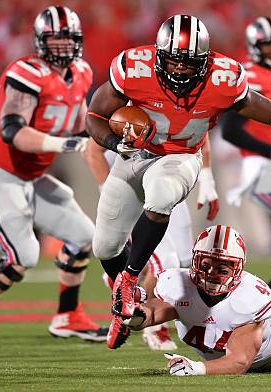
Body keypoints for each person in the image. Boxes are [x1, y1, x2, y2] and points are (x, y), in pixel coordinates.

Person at [85, 14, 271, 349]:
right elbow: (95, 115)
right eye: (174, 62)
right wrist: (113, 143)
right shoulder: (134, 67)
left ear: (205, 63)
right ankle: (128, 294)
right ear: (160, 56)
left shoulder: (223, 79)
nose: (180, 70)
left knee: (162, 193)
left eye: (189, 64)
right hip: (132, 156)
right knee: (104, 246)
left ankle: (129, 279)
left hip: (179, 157)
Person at [0, 6, 106, 348]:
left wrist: (110, 134)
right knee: (23, 256)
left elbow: (79, 124)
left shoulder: (83, 72)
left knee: (84, 236)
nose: (62, 45)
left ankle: (67, 315)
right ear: (40, 41)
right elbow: (12, 131)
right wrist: (64, 143)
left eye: (68, 38)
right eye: (55, 38)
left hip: (31, 177)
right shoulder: (26, 72)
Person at [118, 224, 271, 375]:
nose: (212, 272)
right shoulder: (178, 284)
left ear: (239, 269)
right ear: (194, 261)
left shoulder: (248, 298)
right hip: (262, 361)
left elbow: (239, 362)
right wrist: (133, 317)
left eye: (223, 266)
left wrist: (196, 368)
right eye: (206, 263)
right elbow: (154, 312)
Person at [84, 134, 219, 350]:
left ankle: (118, 289)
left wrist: (207, 177)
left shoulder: (183, 103)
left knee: (185, 261)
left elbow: (200, 126)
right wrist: (112, 196)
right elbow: (92, 151)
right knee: (165, 260)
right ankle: (148, 323)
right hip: (133, 189)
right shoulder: (128, 102)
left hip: (167, 180)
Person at [220, 16, 271, 302]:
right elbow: (230, 131)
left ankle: (268, 298)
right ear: (256, 47)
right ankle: (262, 298)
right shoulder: (249, 77)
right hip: (260, 166)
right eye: (269, 46)